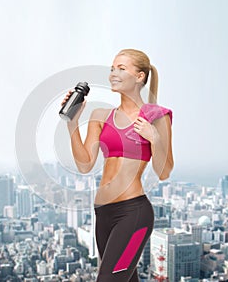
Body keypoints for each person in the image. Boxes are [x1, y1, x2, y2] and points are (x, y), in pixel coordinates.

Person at [61, 48, 173, 282]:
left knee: (108, 279)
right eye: (112, 68)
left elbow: (164, 171)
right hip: (103, 214)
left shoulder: (156, 116)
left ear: (140, 76)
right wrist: (72, 124)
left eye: (121, 69)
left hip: (134, 214)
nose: (113, 73)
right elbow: (85, 165)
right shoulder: (100, 116)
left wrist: (155, 138)